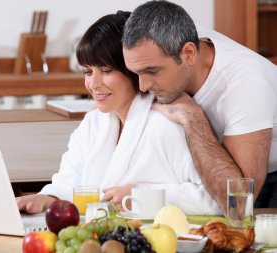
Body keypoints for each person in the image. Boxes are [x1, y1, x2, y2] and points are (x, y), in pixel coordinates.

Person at [16, 11, 221, 215]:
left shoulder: (167, 124)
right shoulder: (93, 123)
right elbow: (68, 184)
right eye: (88, 72)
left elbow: (213, 199)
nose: (93, 84)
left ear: (133, 70)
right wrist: (48, 198)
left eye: (106, 71)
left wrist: (141, 196)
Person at [122, 0, 277, 209]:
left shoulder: (246, 85)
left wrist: (192, 117)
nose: (142, 87)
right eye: (136, 73)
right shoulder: (170, 40)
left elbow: (239, 203)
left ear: (189, 54)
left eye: (152, 71)